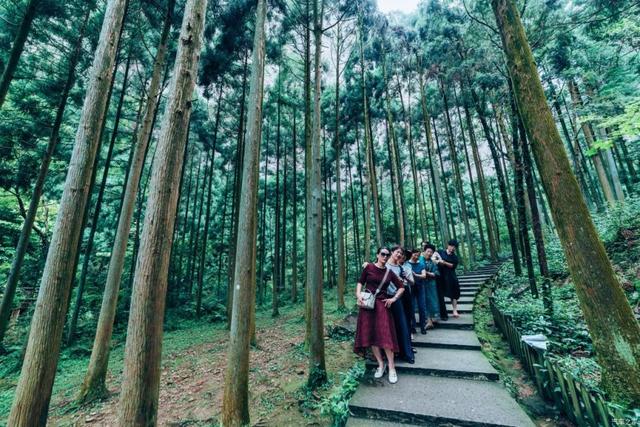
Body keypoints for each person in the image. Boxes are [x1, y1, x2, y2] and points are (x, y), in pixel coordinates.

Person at [354, 247, 405, 384]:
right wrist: (358, 294)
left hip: (382, 306)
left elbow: (401, 286)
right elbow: (360, 282)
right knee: (371, 336)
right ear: (377, 255)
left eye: (387, 254)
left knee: (385, 335)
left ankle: (392, 367)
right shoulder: (369, 268)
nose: (385, 256)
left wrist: (393, 299)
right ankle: (381, 365)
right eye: (382, 254)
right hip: (368, 305)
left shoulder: (389, 272)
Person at [386, 246, 415, 363]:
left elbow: (409, 283)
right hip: (384, 298)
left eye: (401, 253)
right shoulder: (384, 265)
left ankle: (406, 353)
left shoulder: (401, 268)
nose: (399, 255)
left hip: (398, 298)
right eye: (397, 252)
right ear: (392, 252)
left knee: (402, 324)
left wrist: (405, 279)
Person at [437, 239, 461, 318]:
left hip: (451, 276)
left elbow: (453, 266)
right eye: (451, 246)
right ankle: (441, 311)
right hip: (441, 275)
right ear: (448, 245)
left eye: (454, 247)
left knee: (454, 292)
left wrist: (444, 262)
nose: (452, 248)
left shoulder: (455, 257)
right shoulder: (440, 252)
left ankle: (454, 310)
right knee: (440, 293)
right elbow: (434, 258)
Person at [408, 248, 428, 334]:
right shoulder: (407, 264)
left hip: (420, 288)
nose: (416, 256)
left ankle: (423, 326)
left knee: (422, 307)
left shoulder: (421, 264)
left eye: (418, 255)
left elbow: (424, 275)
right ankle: (413, 326)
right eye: (415, 254)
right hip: (410, 288)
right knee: (411, 307)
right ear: (411, 254)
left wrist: (416, 275)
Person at [421, 243, 441, 328]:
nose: (429, 253)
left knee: (432, 301)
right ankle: (428, 320)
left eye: (431, 252)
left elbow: (436, 273)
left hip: (431, 285)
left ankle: (431, 319)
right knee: (424, 301)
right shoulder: (419, 260)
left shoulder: (433, 262)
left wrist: (428, 273)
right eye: (428, 251)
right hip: (421, 284)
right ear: (424, 251)